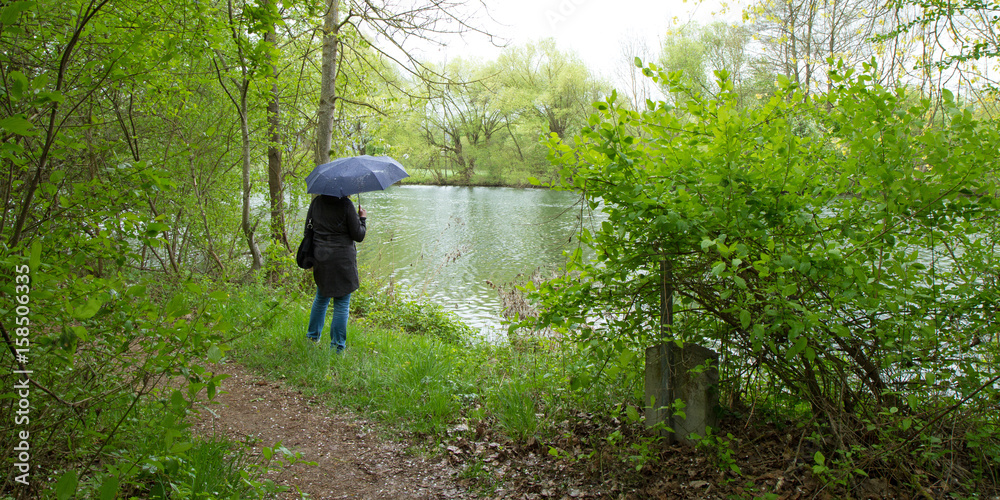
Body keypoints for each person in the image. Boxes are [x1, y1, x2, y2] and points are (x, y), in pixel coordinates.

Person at [304, 194, 367, 352]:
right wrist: (363, 219)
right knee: (341, 303)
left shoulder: (316, 202)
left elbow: (308, 230)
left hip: (321, 258)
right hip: (342, 261)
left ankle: (312, 338)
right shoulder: (346, 205)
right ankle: (337, 348)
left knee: (321, 298)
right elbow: (358, 235)